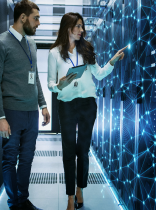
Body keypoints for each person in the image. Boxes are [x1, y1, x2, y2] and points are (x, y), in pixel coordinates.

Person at [47, 12, 127, 210]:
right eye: (78, 26)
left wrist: (112, 61)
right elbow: (50, 84)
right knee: (68, 151)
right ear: (68, 28)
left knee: (83, 150)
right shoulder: (54, 53)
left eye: (82, 27)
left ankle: (80, 188)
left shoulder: (87, 50)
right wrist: (59, 84)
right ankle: (70, 195)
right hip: (66, 104)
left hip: (87, 104)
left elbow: (98, 75)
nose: (82, 30)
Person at [0, 0, 50, 209]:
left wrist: (43, 104)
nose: (38, 23)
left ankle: (23, 200)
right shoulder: (0, 43)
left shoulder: (30, 43)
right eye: (36, 18)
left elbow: (35, 78)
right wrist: (0, 117)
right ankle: (15, 203)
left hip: (31, 113)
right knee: (9, 159)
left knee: (26, 161)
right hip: (11, 113)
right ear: (22, 18)